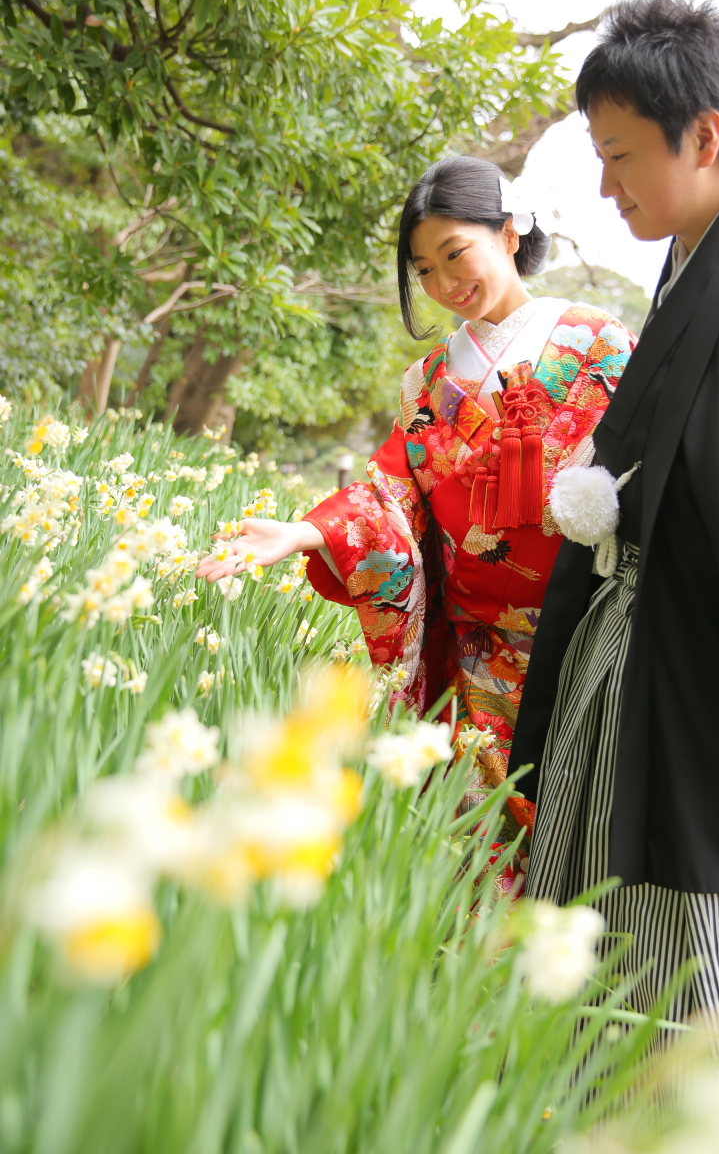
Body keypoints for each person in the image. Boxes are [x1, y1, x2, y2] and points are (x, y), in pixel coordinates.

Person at [507, 0, 719, 1052]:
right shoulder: (685, 267)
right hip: (632, 674)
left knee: (714, 993)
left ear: (706, 135)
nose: (603, 184)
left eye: (619, 154)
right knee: (603, 961)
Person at [197, 155, 634, 823]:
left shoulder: (601, 343)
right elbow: (388, 495)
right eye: (424, 269)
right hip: (474, 651)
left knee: (580, 823)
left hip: (582, 636)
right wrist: (305, 531)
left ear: (510, 233)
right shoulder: (426, 383)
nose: (443, 281)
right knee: (478, 830)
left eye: (455, 253)